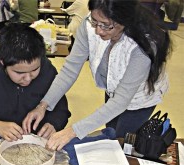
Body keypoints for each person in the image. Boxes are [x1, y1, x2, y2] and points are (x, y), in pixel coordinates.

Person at [23, 0, 172, 151]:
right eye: (95, 22)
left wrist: (72, 132)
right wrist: (44, 105)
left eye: (106, 25)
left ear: (125, 20)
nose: (98, 31)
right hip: (114, 91)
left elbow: (121, 101)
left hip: (140, 99)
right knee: (111, 133)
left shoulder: (142, 45)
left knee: (122, 142)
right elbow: (70, 70)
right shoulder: (89, 25)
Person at [0, 23, 70, 141]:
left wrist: (53, 124)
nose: (28, 79)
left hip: (36, 140)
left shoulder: (47, 69)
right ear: (2, 62)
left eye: (35, 70)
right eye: (19, 73)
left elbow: (61, 109)